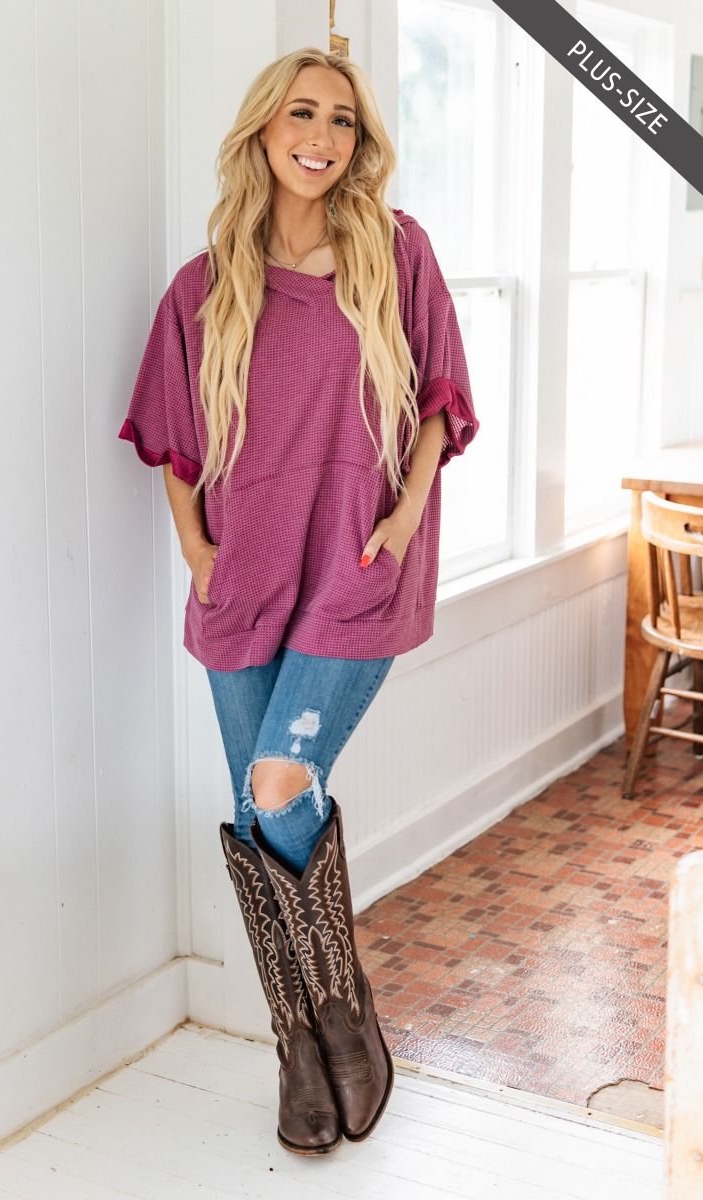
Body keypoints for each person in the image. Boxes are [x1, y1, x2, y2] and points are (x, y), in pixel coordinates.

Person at [118, 47, 479, 1156]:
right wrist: (197, 552)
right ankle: (300, 1050)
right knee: (253, 812)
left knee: (280, 788)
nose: (320, 136)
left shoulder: (396, 250)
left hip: (358, 570)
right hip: (243, 582)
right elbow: (175, 443)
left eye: (340, 120)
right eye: (300, 115)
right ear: (262, 133)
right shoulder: (203, 287)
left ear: (357, 141)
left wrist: (406, 515)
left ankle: (345, 1020)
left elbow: (439, 399)